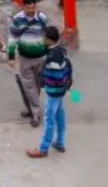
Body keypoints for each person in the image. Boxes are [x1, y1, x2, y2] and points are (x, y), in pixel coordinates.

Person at [26, 26, 73, 158]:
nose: (42, 39)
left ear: (48, 39)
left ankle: (43, 149)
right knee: (60, 115)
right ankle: (60, 142)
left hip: (53, 92)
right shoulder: (61, 51)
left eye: (44, 37)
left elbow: (54, 74)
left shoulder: (52, 58)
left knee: (49, 119)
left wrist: (44, 79)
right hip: (61, 90)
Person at [7, 0, 49, 126]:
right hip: (25, 58)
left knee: (37, 86)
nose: (31, 10)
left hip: (41, 57)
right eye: (28, 8)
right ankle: (36, 113)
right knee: (29, 86)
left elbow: (48, 35)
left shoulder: (42, 18)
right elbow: (12, 38)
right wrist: (11, 56)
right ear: (23, 6)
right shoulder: (17, 20)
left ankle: (31, 107)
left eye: (33, 8)